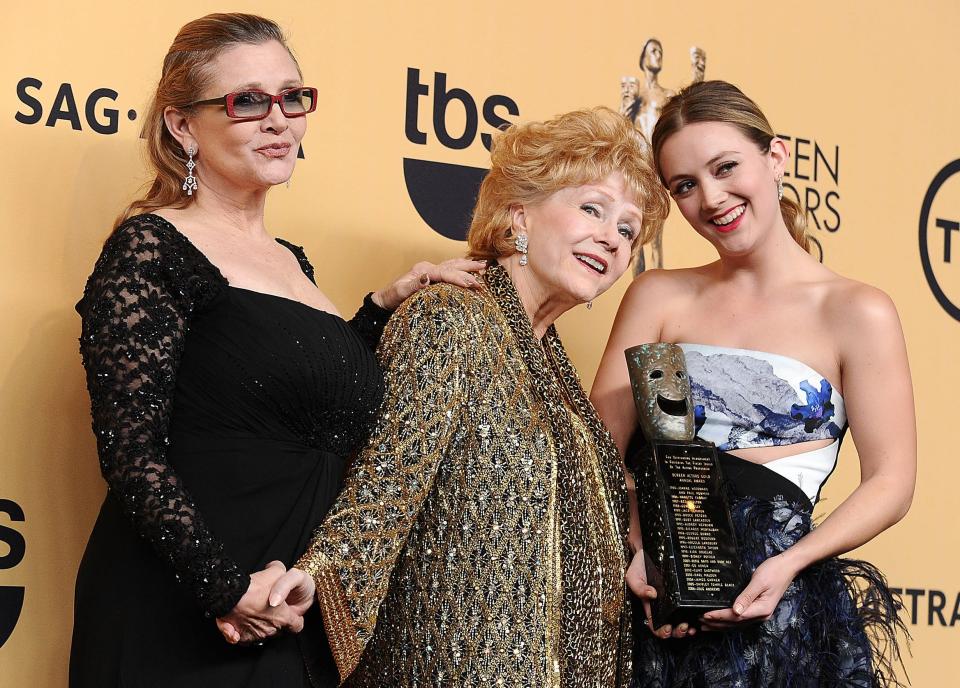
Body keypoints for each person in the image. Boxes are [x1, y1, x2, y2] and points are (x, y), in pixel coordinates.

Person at [70, 13, 484, 687]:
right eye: (248, 101)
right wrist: (223, 588)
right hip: (188, 612)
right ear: (182, 126)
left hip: (294, 604)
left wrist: (381, 307)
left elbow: (297, 406)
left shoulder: (292, 261)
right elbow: (130, 451)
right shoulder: (152, 247)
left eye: (293, 97)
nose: (279, 120)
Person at [294, 107, 670, 686]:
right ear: (519, 214)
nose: (611, 239)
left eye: (626, 230)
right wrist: (316, 578)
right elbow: (388, 483)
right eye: (591, 209)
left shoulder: (555, 366)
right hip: (451, 661)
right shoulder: (451, 317)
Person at [591, 80, 914, 687]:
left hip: (777, 605)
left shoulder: (856, 310)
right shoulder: (658, 294)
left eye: (725, 167)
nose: (711, 198)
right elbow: (600, 449)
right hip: (650, 598)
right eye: (684, 185)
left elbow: (892, 482)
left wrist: (791, 563)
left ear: (776, 157)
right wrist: (638, 544)